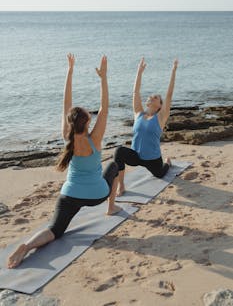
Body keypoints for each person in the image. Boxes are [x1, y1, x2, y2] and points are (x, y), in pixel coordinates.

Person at [7, 54, 121, 269]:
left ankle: (27, 245)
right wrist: (103, 79)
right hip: (96, 195)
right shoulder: (95, 139)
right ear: (87, 121)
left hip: (69, 194)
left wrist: (70, 72)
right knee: (114, 165)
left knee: (55, 230)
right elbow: (105, 108)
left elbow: (65, 104)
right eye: (89, 114)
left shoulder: (66, 135)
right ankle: (111, 207)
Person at [114, 57, 178, 196]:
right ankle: (121, 186)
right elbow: (135, 92)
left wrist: (173, 71)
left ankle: (167, 163)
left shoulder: (161, 117)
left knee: (160, 174)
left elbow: (169, 94)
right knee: (118, 152)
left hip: (152, 159)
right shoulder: (138, 113)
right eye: (150, 96)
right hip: (136, 156)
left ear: (160, 105)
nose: (151, 97)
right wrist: (139, 72)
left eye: (155, 97)